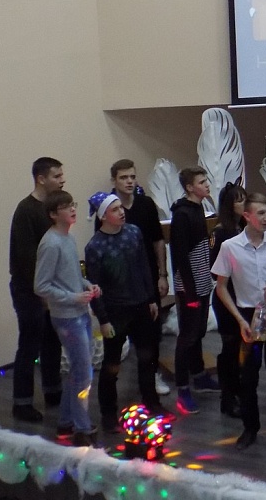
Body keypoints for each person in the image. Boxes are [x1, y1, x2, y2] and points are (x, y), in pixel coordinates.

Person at [211, 192, 266, 456]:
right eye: (261, 213)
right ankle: (250, 428)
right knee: (248, 377)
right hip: (248, 314)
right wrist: (239, 319)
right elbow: (221, 287)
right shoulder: (230, 247)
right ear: (247, 215)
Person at [84, 192, 162, 434]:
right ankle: (109, 414)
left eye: (121, 208)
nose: (121, 212)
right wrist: (103, 319)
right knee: (112, 365)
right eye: (115, 209)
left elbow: (143, 267)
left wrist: (151, 298)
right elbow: (95, 286)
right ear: (103, 216)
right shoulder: (95, 247)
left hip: (140, 305)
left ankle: (151, 401)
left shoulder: (133, 233)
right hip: (116, 312)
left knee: (147, 357)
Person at [97, 159, 171, 396]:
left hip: (146, 282)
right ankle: (111, 393)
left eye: (132, 177)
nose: (129, 182)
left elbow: (157, 240)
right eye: (123, 178)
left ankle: (151, 378)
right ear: (114, 181)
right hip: (120, 289)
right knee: (118, 342)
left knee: (152, 334)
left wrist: (162, 274)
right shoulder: (107, 209)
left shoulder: (146, 204)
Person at [33, 191, 100, 446]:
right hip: (66, 317)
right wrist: (73, 297)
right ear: (53, 214)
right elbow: (41, 285)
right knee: (83, 374)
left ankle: (65, 422)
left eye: (73, 204)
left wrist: (87, 285)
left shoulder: (69, 238)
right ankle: (82, 427)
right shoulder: (50, 244)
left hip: (80, 312)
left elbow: (70, 275)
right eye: (65, 207)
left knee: (80, 370)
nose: (72, 209)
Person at [9, 157, 66, 422]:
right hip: (29, 291)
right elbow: (26, 258)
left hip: (50, 288)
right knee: (29, 345)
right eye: (56, 176)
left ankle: (53, 390)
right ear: (41, 179)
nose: (62, 180)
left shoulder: (52, 208)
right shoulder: (26, 210)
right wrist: (42, 293)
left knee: (52, 341)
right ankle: (21, 403)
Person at [169, 166, 219, 415]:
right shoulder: (182, 215)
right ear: (189, 187)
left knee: (198, 331)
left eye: (206, 180)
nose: (207, 184)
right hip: (189, 285)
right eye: (201, 182)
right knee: (187, 336)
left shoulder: (199, 208)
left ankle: (199, 376)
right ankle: (183, 389)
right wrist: (189, 292)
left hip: (202, 281)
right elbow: (179, 255)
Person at [210, 182, 247, 418]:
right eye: (239, 200)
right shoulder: (221, 232)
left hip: (244, 295)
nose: (244, 204)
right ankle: (228, 396)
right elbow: (215, 270)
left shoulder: (243, 227)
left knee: (243, 348)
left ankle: (239, 389)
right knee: (230, 348)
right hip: (227, 296)